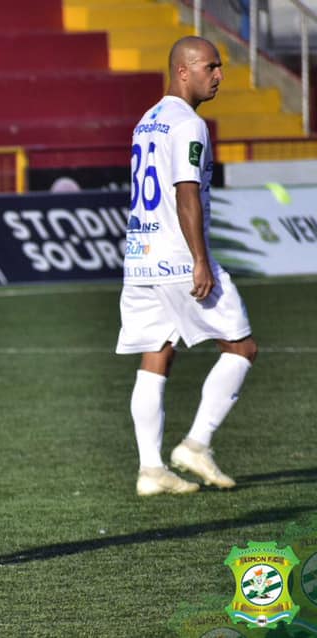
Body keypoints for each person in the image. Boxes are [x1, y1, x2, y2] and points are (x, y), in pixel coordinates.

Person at [117, 36, 258, 496]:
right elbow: (186, 192)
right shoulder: (189, 124)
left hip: (141, 258)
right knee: (241, 348)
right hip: (179, 258)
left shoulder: (147, 120)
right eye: (210, 67)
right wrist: (201, 260)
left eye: (219, 67)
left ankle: (150, 469)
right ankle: (196, 444)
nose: (218, 75)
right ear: (183, 70)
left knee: (157, 353)